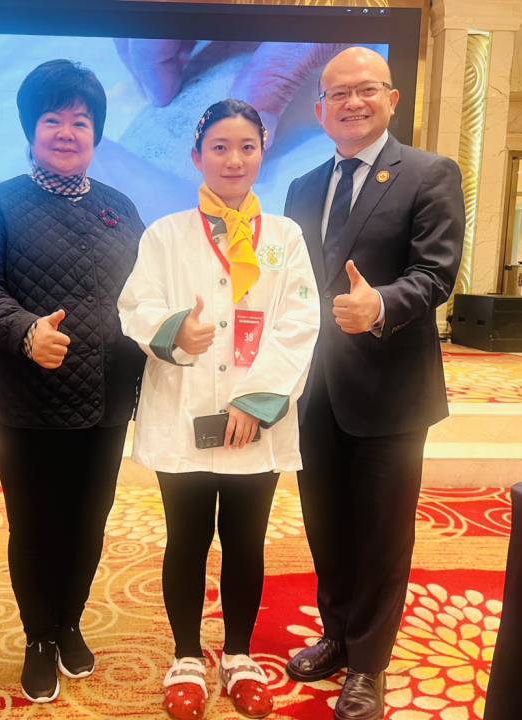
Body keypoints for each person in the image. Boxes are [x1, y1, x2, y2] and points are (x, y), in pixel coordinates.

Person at [119, 99, 319, 720]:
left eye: (247, 147)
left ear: (263, 152)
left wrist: (257, 401)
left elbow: (299, 321)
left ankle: (237, 655)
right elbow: (136, 305)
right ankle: (185, 655)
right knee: (186, 539)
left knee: (245, 541)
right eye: (220, 147)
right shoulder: (165, 234)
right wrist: (176, 331)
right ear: (197, 156)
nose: (234, 159)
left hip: (254, 423)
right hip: (183, 414)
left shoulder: (284, 237)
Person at [0, 59, 145, 704]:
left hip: (106, 399)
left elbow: (147, 295)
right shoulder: (1, 203)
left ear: (97, 133)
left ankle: (69, 623)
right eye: (53, 119)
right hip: (22, 401)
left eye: (81, 121)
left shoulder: (120, 208)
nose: (67, 132)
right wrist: (26, 330)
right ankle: (38, 636)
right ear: (30, 129)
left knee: (88, 520)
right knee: (34, 523)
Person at [283, 47, 465, 720]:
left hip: (391, 391)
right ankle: (336, 635)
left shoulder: (429, 173)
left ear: (391, 98)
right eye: (338, 93)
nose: (352, 102)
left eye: (365, 90)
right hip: (315, 389)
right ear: (320, 110)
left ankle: (368, 664)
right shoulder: (302, 187)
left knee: (383, 533)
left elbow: (437, 272)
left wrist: (381, 304)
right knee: (326, 523)